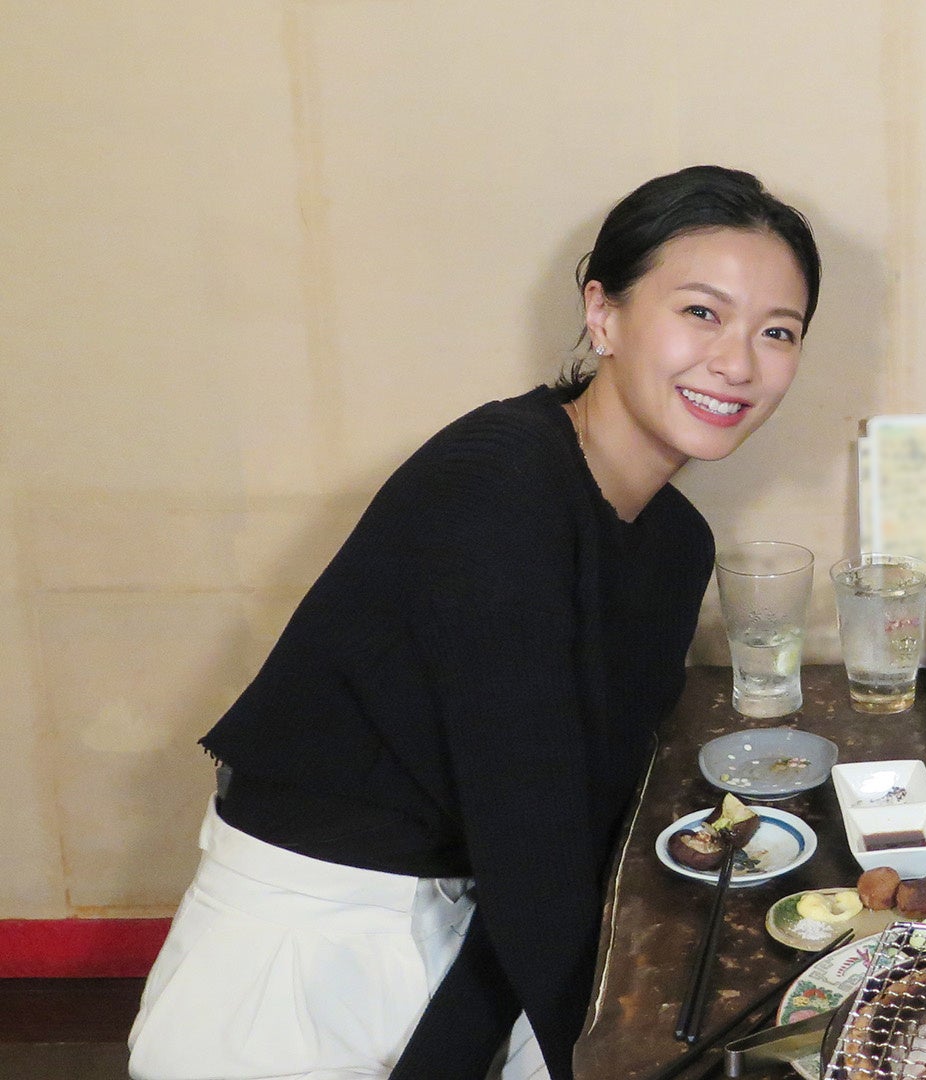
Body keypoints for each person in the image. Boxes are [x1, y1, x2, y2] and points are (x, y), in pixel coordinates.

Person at [127, 165, 822, 1080]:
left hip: (483, 914)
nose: (738, 363)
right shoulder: (495, 492)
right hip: (315, 940)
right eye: (701, 312)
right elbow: (530, 840)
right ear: (603, 313)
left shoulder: (673, 542)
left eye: (777, 331)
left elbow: (578, 815)